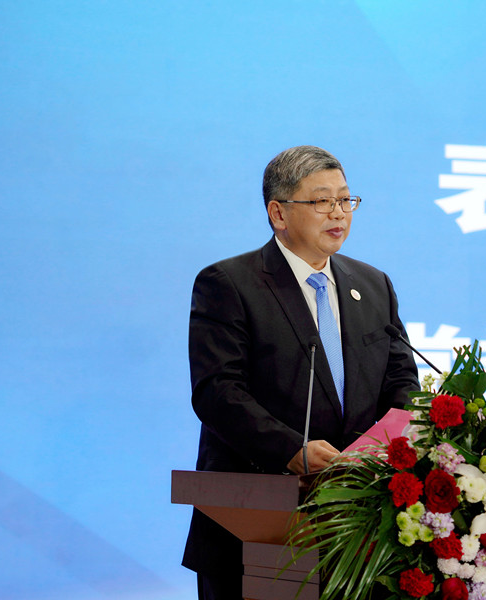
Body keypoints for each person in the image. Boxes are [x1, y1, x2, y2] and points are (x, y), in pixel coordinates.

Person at [182, 145, 420, 599]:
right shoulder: (229, 283)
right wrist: (291, 449)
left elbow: (402, 380)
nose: (339, 213)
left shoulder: (373, 285)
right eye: (322, 201)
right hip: (258, 521)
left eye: (345, 199)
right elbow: (218, 392)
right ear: (279, 213)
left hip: (358, 525)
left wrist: (389, 447)